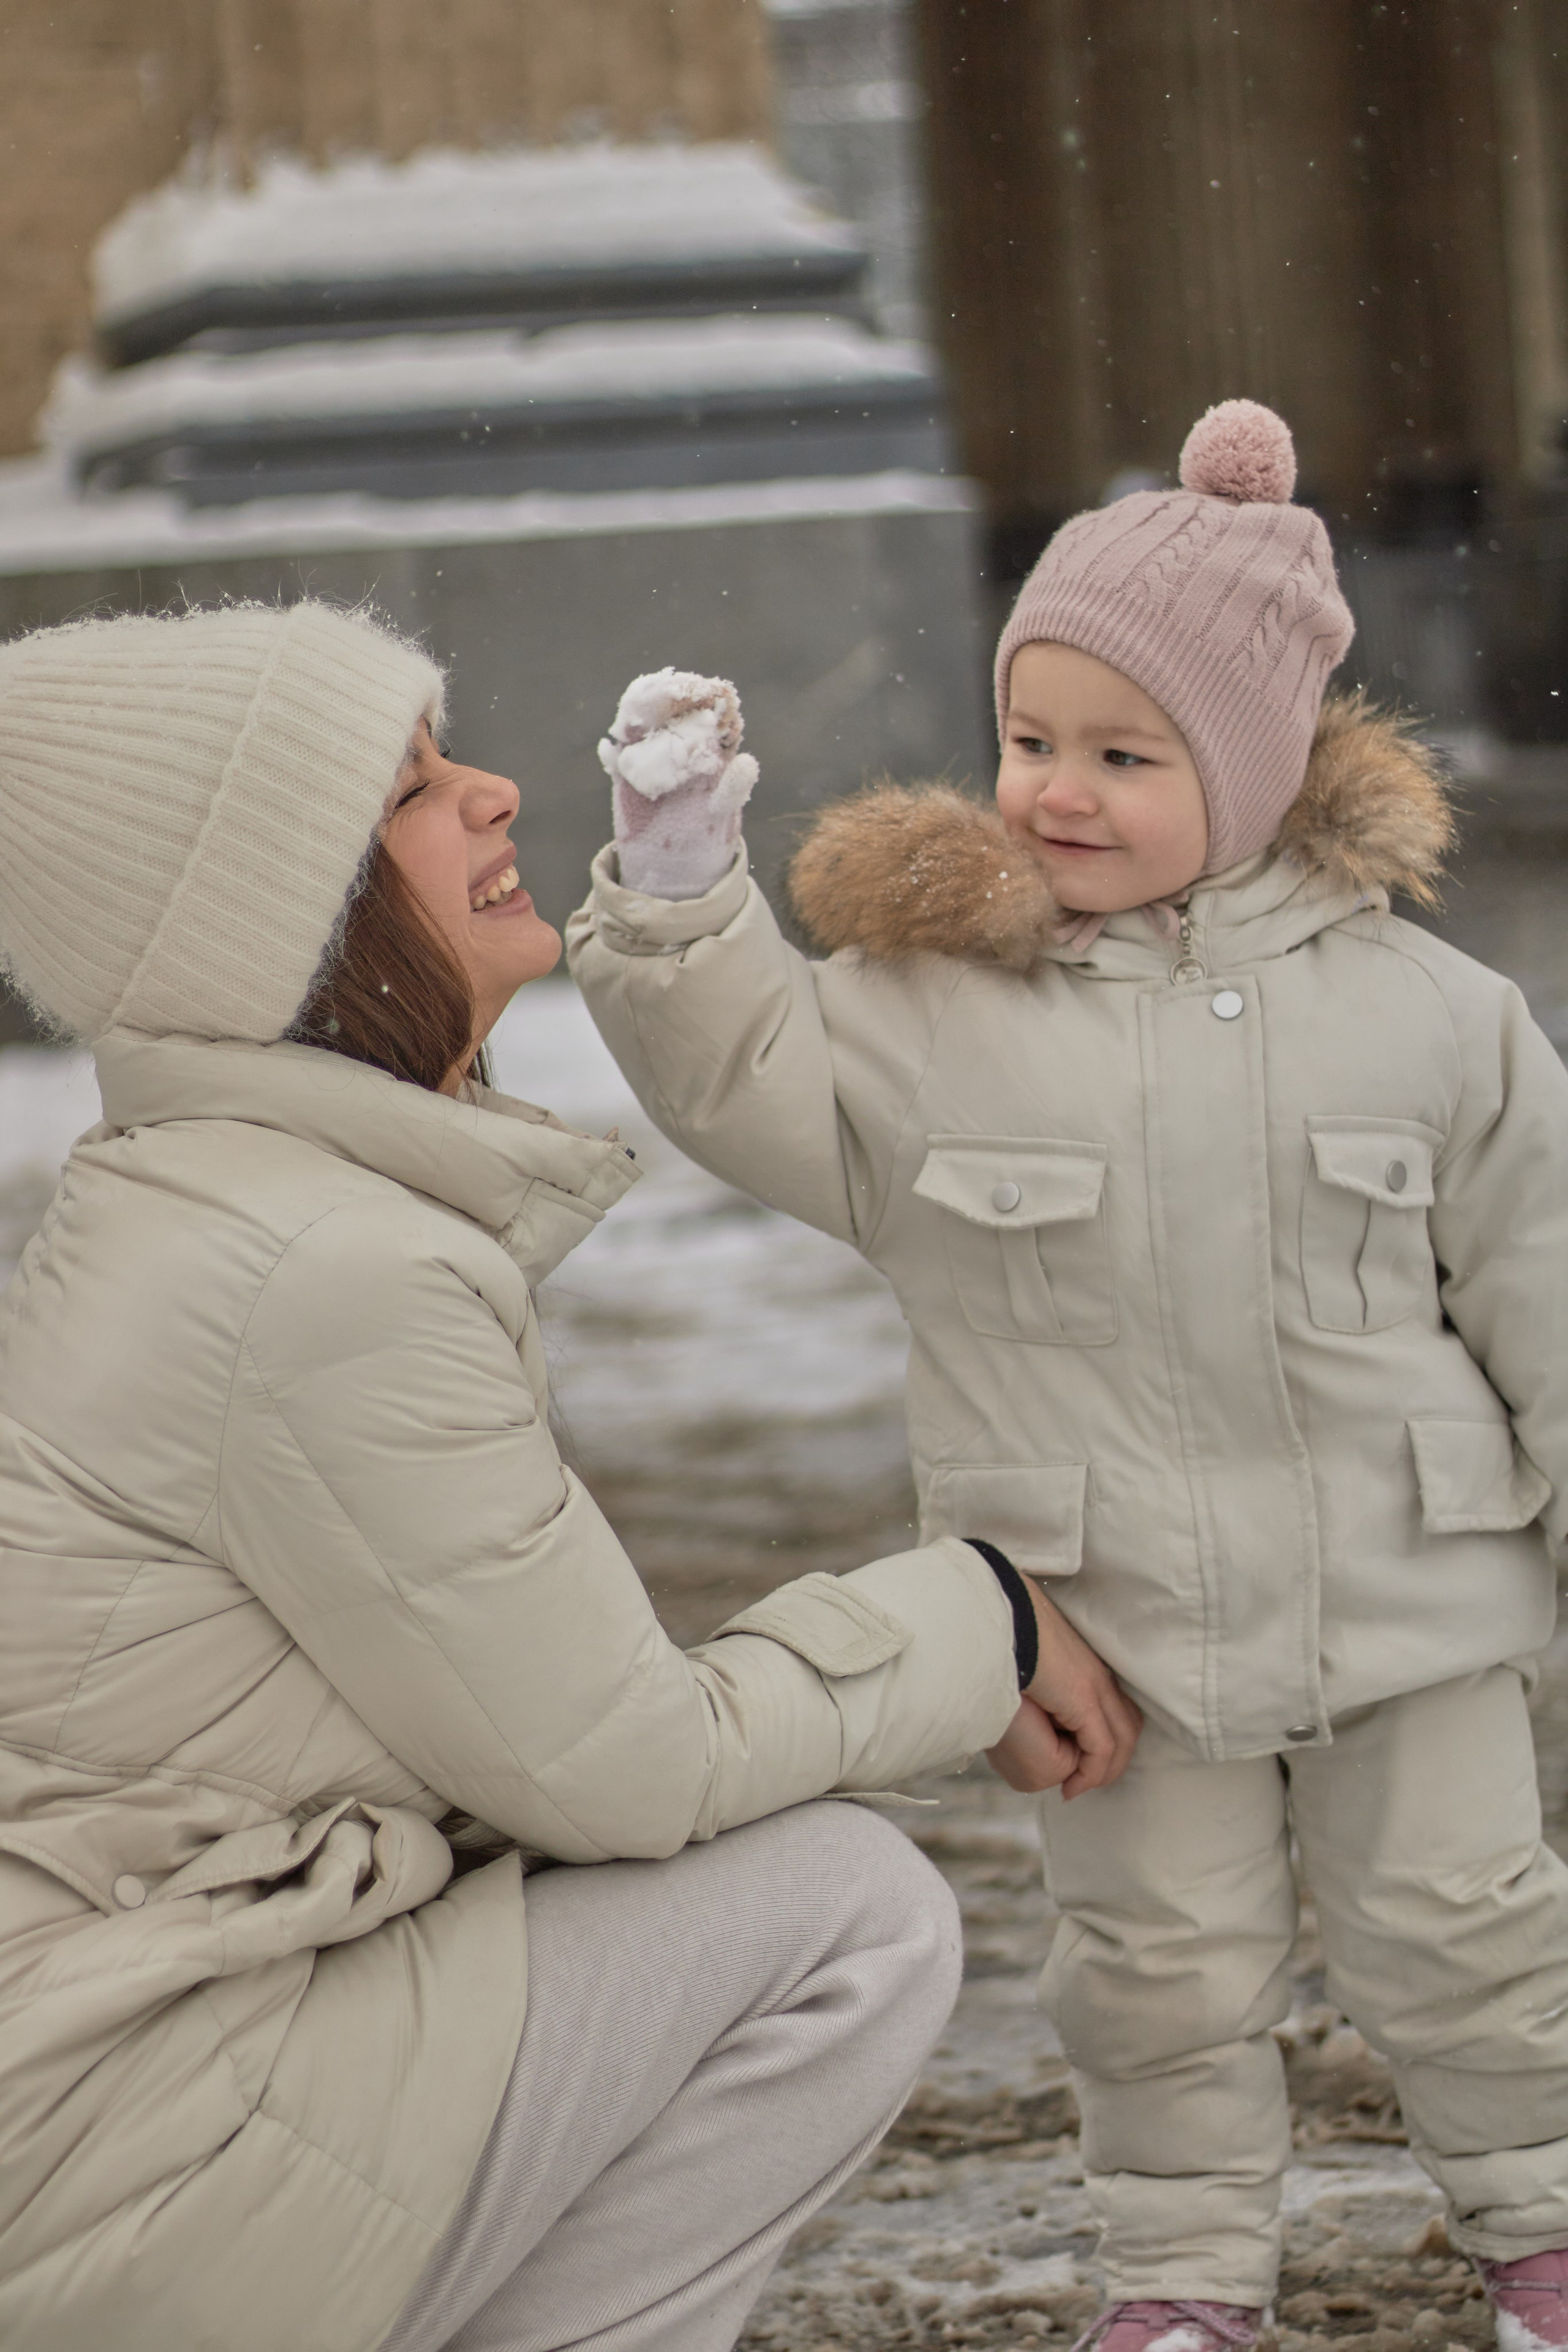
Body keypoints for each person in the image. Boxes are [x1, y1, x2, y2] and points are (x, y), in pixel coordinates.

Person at [0, 601, 1141, 2352]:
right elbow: (621, 1772)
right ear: (272, 913)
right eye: (409, 788)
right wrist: (973, 1620)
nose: (493, 794)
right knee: (843, 1915)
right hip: (127, 2154)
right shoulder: (321, 1271)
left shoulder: (222, 1204)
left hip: (97, 2098)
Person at [570, 400, 1568, 2352]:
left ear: (1264, 769)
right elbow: (743, 1076)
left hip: (1407, 1592)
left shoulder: (1432, 1018)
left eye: (1129, 755)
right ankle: (1187, 2276)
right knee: (1153, 1965)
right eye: (1033, 742)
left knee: (1470, 1933)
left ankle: (1542, 2224)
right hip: (1113, 1616)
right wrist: (683, 881)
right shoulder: (933, 1016)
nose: (1060, 793)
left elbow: (1543, 1277)